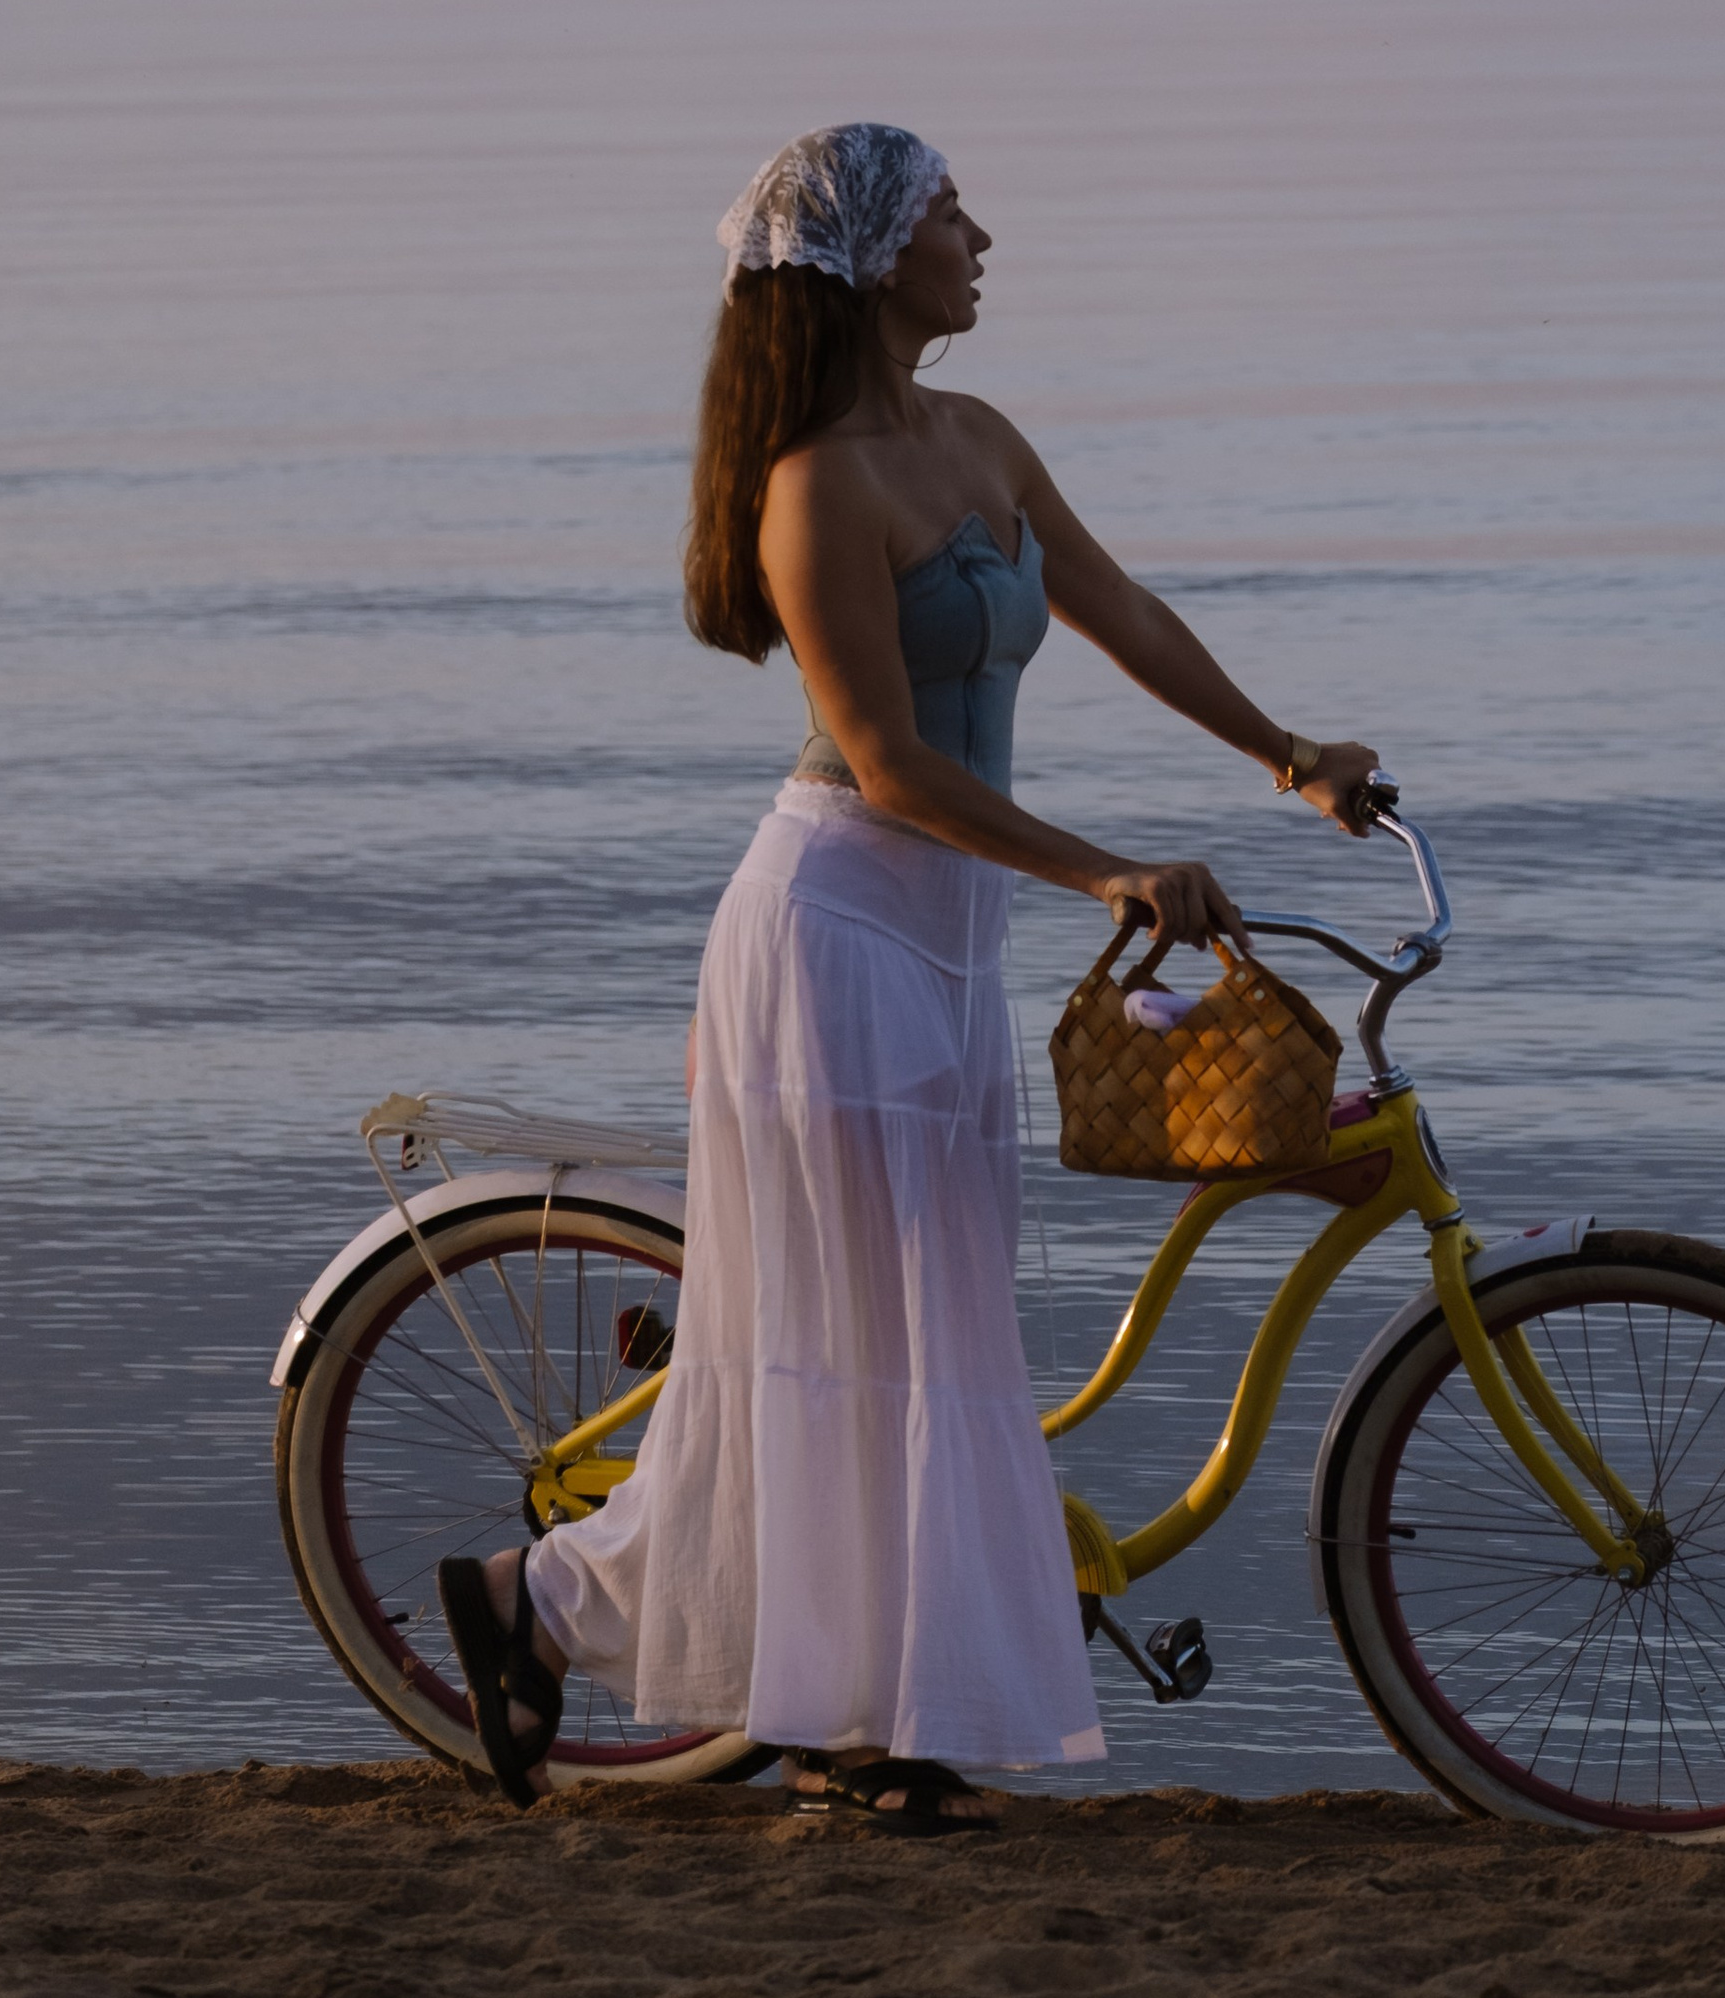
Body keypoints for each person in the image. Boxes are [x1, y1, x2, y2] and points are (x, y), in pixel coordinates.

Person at [439, 121, 1380, 1832]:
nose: (982, 236)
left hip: (949, 941)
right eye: (951, 212)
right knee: (839, 1345)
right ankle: (835, 1729)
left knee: (915, 1339)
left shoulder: (979, 439)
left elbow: (1120, 605)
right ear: (875, 260)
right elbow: (882, 762)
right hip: (836, 934)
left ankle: (580, 1617)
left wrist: (1286, 751)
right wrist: (1104, 869)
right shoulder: (813, 485)